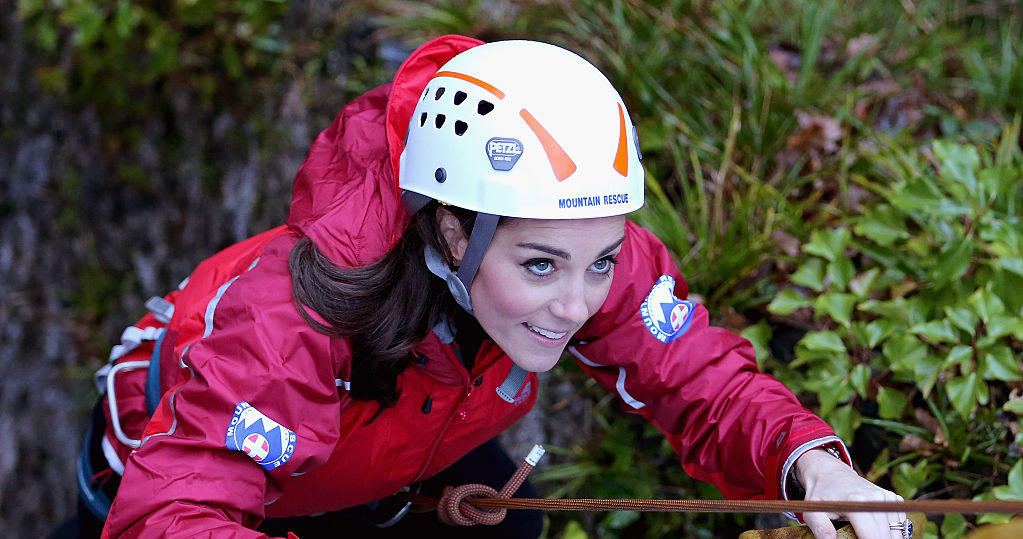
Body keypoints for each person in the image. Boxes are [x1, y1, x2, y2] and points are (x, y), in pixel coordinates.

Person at [93, 35, 909, 539]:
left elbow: (694, 374)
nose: (580, 302)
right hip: (176, 468)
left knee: (512, 527)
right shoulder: (296, 318)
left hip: (392, 456)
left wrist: (811, 464)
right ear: (452, 230)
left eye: (601, 261)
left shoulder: (569, 238)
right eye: (540, 266)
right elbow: (174, 513)